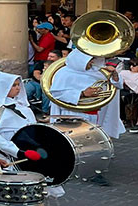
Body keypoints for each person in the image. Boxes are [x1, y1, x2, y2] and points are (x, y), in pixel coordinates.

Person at [0, 72, 64, 206]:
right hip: (6, 153)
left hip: (29, 151)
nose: (17, 89)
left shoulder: (24, 107)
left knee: (38, 177)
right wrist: (14, 151)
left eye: (17, 85)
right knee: (13, 181)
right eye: (13, 86)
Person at [49, 49, 124, 185]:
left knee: (96, 143)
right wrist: (82, 94)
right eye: (89, 60)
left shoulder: (98, 71)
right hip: (74, 113)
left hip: (97, 113)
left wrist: (115, 77)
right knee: (74, 144)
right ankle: (68, 168)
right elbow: (56, 93)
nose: (92, 63)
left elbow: (116, 86)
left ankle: (94, 171)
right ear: (79, 60)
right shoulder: (64, 73)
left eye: (92, 60)